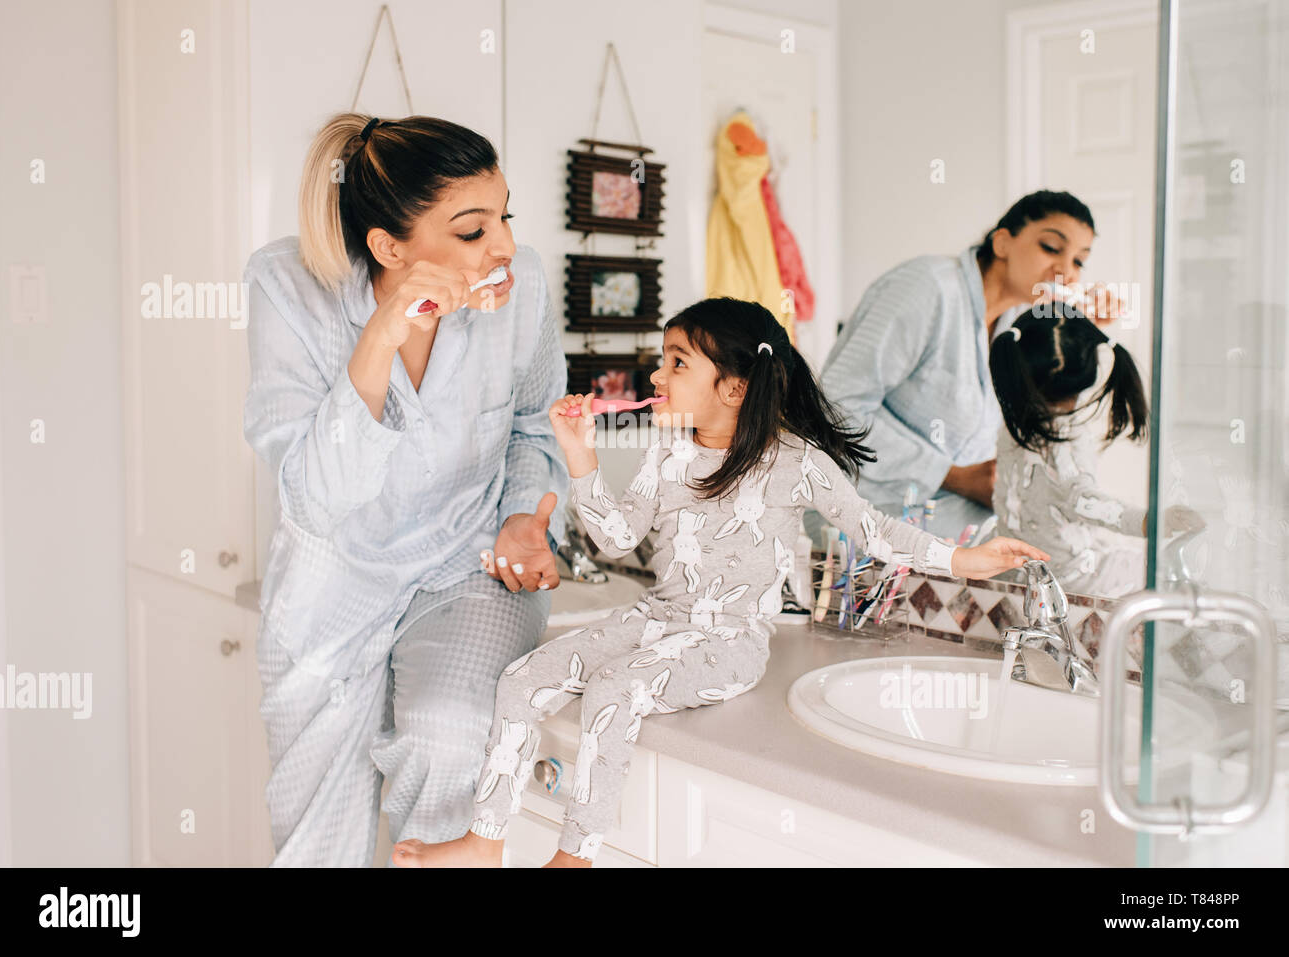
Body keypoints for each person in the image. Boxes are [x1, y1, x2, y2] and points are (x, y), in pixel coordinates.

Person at [391, 297, 1050, 867]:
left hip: (730, 639)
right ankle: (485, 839)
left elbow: (875, 531)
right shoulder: (667, 449)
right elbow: (617, 537)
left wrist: (966, 561)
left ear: (734, 387)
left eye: (678, 361)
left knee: (618, 690)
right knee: (521, 679)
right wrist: (579, 454)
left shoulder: (796, 463)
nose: (658, 373)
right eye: (662, 359)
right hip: (656, 615)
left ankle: (574, 853)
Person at [241, 112, 569, 866]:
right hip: (334, 585)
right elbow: (315, 499)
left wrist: (525, 517)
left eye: (505, 216)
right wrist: (381, 336)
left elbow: (533, 423)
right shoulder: (287, 287)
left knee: (448, 735)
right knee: (315, 844)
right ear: (390, 247)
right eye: (471, 230)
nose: (506, 247)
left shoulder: (523, 291)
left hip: (466, 567)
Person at [818, 190, 1123, 541]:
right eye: (1052, 248)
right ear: (1003, 243)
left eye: (1079, 261)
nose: (1066, 271)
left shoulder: (1020, 324)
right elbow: (832, 408)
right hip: (857, 538)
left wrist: (1085, 330)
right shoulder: (928, 289)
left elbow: (1048, 411)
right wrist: (950, 475)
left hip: (950, 540)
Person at [989, 304, 1203, 596]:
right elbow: (1083, 501)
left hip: (1011, 567)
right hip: (1063, 580)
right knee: (1157, 570)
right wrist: (1149, 522)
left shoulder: (1013, 426)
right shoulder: (1065, 441)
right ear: (1089, 375)